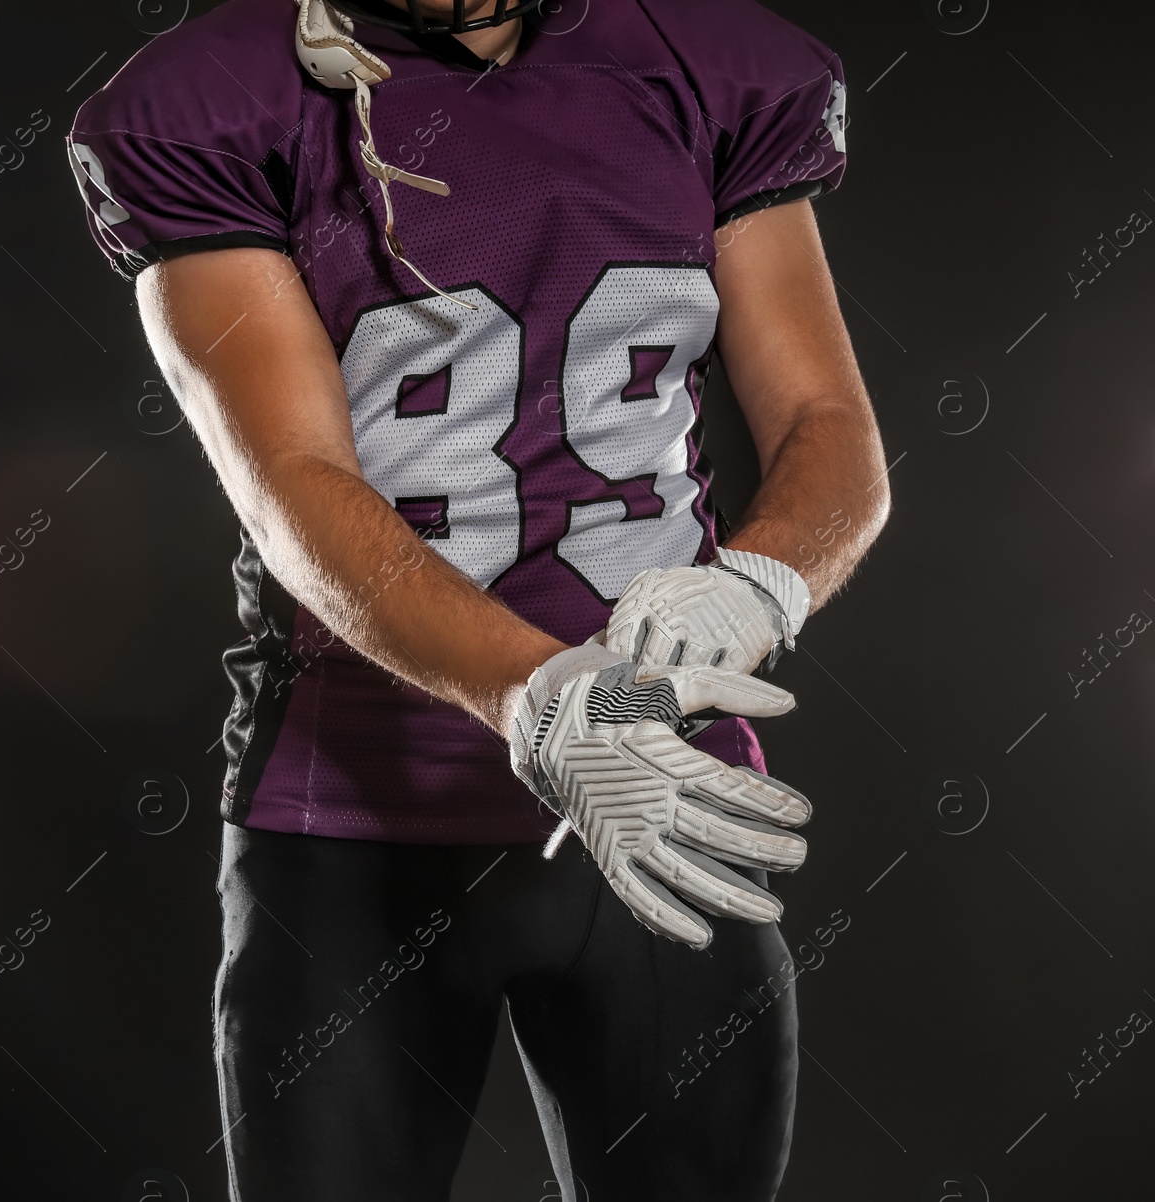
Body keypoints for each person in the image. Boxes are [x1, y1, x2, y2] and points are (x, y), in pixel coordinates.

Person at [68, 0, 888, 1197]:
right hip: (355, 825)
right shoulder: (212, 103)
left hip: (664, 798)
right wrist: (539, 693)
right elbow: (290, 482)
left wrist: (760, 584)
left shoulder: (702, 64)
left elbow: (827, 426)